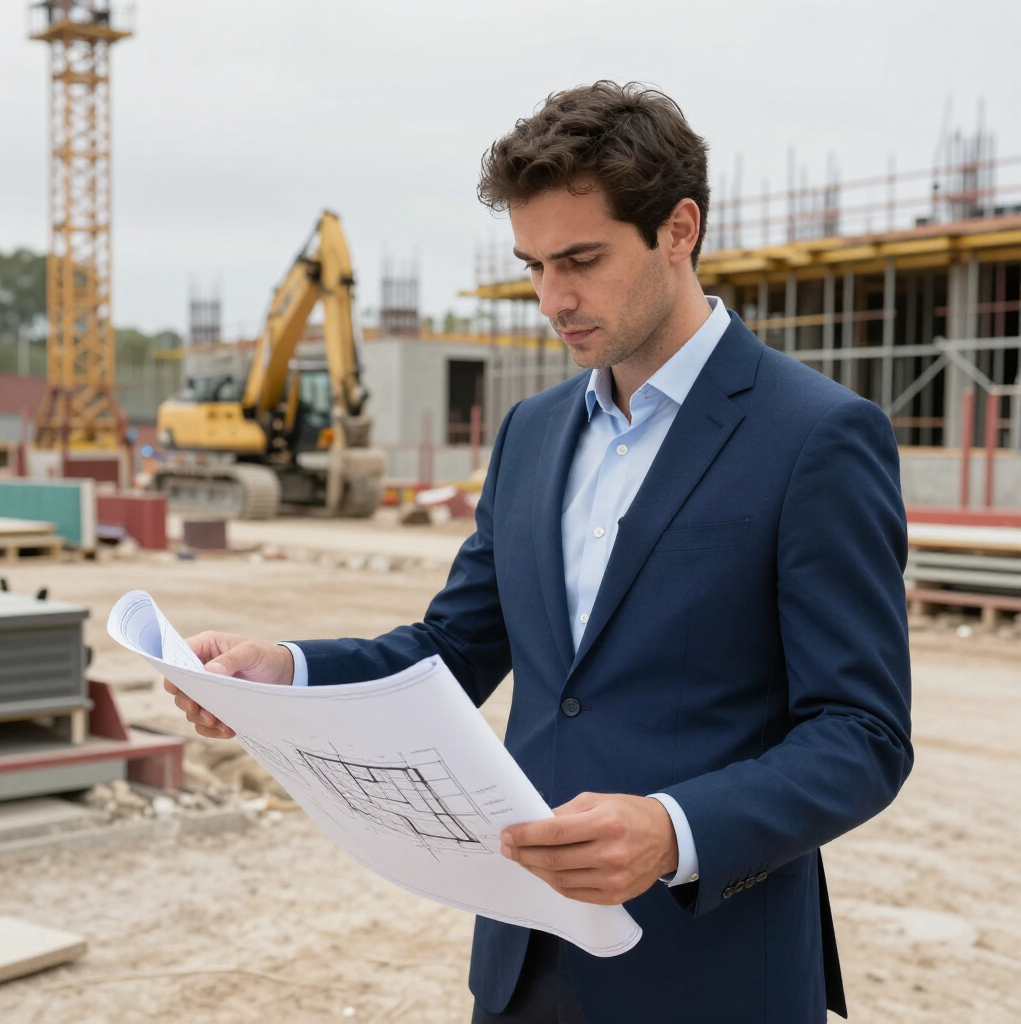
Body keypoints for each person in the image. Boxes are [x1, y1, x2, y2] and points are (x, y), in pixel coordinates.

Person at [167, 81, 913, 1024]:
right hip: (524, 966)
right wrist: (286, 671)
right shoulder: (533, 430)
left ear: (678, 230)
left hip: (712, 974)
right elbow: (456, 648)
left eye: (582, 259)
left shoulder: (818, 436)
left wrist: (675, 830)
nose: (553, 299)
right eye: (532, 265)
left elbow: (862, 735)